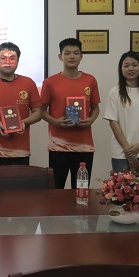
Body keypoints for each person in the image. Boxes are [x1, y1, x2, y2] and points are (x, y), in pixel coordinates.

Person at [41, 38, 100, 189]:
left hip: (84, 146)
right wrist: (54, 121)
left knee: (81, 188)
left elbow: (95, 108)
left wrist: (91, 119)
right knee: (56, 188)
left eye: (76, 53)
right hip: (58, 146)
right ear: (60, 57)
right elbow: (41, 110)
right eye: (67, 53)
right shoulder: (50, 82)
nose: (72, 57)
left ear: (81, 56)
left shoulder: (90, 80)